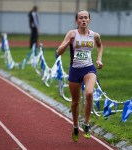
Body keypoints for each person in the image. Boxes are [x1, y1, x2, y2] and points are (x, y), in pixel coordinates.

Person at [57, 10, 103, 142]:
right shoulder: (72, 34)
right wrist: (68, 43)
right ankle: (76, 126)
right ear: (77, 20)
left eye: (86, 18)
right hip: (75, 70)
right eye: (81, 18)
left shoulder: (94, 35)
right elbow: (59, 52)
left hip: (89, 68)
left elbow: (100, 46)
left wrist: (99, 59)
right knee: (75, 101)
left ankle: (87, 124)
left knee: (89, 94)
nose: (83, 20)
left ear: (89, 20)